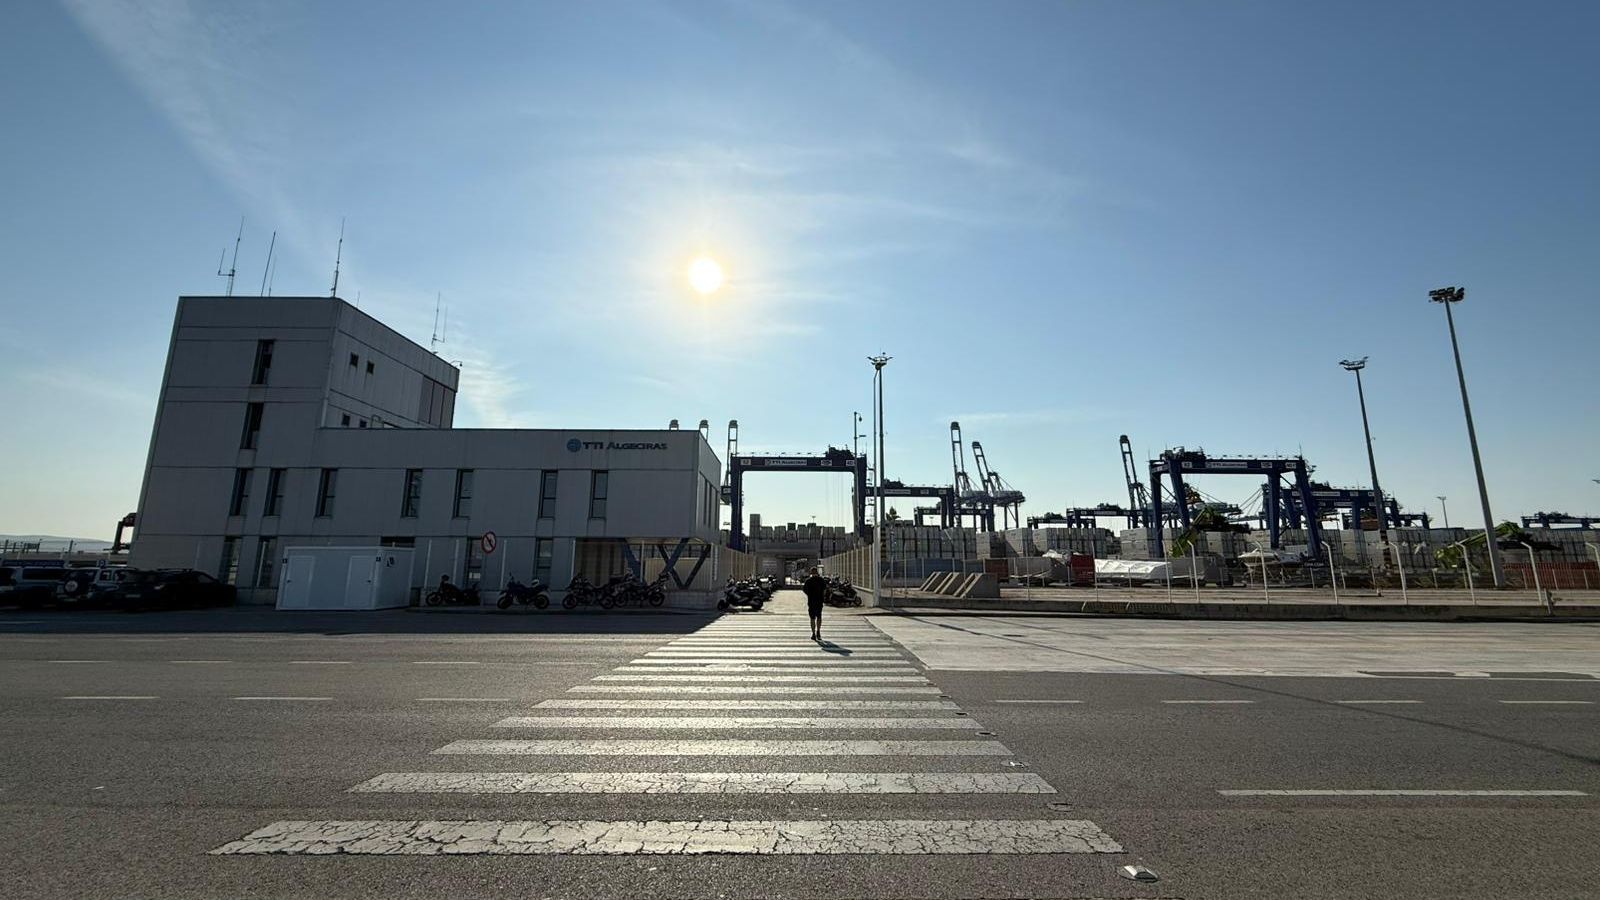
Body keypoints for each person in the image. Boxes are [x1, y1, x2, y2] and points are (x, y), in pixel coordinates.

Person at [801, 567, 829, 642]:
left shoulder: (808, 581)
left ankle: (813, 633)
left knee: (812, 618)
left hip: (811, 602)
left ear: (811, 573)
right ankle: (818, 632)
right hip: (819, 601)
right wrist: (823, 597)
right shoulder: (821, 580)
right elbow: (825, 590)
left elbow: (804, 590)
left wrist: (809, 595)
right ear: (817, 572)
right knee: (819, 617)